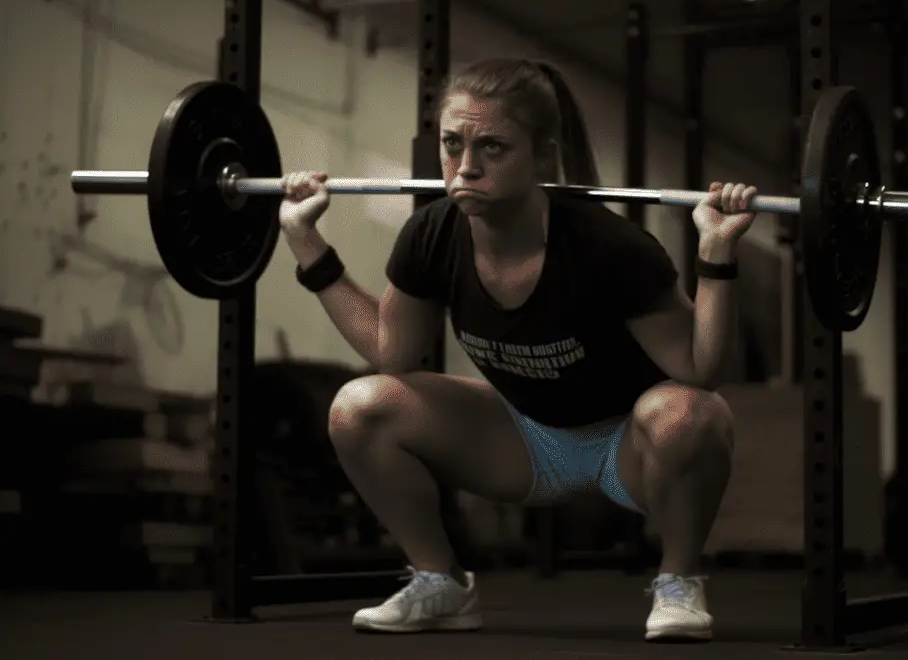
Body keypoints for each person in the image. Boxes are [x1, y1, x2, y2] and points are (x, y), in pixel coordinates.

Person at [278, 58, 757, 642]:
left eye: (494, 148)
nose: (467, 167)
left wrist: (717, 254)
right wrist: (307, 243)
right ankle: (440, 583)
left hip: (628, 443)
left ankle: (680, 581)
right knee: (359, 407)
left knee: (691, 413)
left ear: (543, 155)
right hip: (524, 439)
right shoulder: (431, 236)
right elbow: (390, 351)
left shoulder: (610, 246)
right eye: (453, 145)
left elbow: (702, 369)